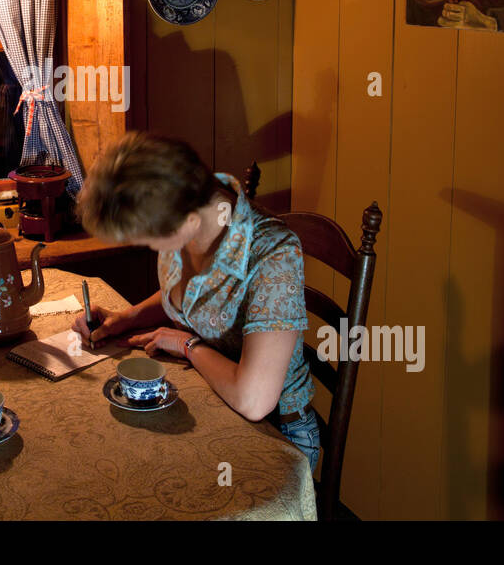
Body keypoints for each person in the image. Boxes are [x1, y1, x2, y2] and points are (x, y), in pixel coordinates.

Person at [71, 131, 319, 471]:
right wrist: (128, 317)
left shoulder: (273, 254)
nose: (154, 250)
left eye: (150, 241)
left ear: (188, 221)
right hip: (208, 396)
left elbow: (254, 401)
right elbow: (193, 295)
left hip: (275, 433)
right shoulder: (187, 217)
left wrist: (188, 345)